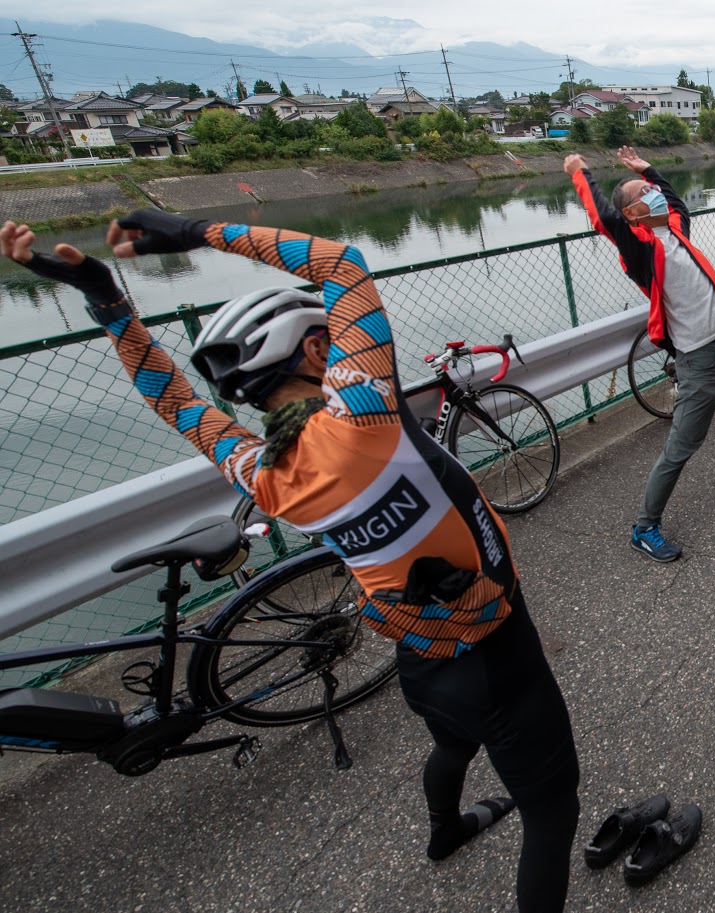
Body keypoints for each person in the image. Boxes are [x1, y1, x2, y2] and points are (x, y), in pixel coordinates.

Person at [0, 210, 583, 912]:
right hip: (496, 649)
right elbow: (342, 262)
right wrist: (193, 232)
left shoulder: (263, 471)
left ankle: (445, 831)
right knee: (552, 813)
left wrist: (107, 300)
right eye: (330, 342)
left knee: (455, 743)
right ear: (314, 350)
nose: (340, 350)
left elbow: (175, 402)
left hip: (421, 656)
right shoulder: (366, 411)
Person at [565, 146, 715, 563]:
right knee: (681, 446)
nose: (656, 194)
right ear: (633, 214)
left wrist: (649, 169)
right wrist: (580, 172)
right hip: (698, 360)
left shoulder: (673, 230)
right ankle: (644, 527)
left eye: (651, 188)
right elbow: (605, 219)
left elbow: (675, 202)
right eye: (646, 192)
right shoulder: (640, 250)